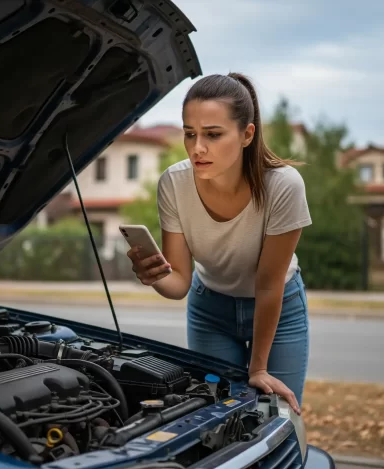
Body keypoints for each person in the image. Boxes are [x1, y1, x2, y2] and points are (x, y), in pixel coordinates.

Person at [126, 72, 311, 414]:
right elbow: (179, 283)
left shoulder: (284, 186)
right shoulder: (174, 183)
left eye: (213, 134)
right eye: (189, 134)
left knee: (278, 414)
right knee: (219, 416)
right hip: (209, 310)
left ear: (246, 134)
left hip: (278, 306)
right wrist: (153, 275)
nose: (198, 148)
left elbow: (268, 284)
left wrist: (258, 368)